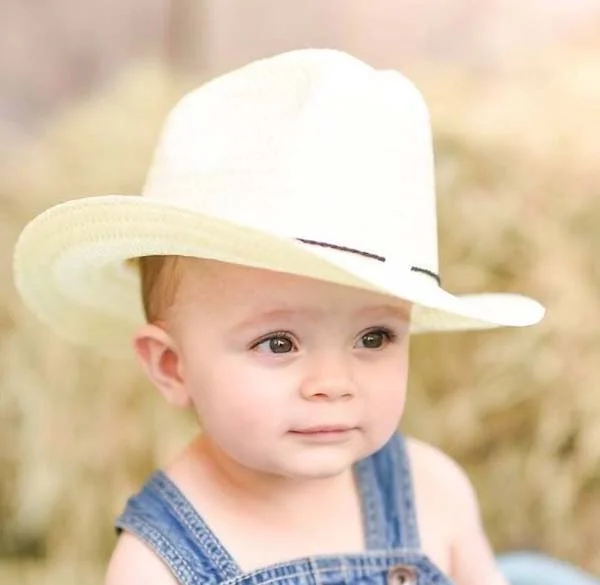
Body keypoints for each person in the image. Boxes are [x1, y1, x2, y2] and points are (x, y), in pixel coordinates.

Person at [12, 48, 588, 585]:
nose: (332, 384)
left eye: (374, 335)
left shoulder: (432, 490)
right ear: (172, 366)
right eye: (279, 343)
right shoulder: (158, 563)